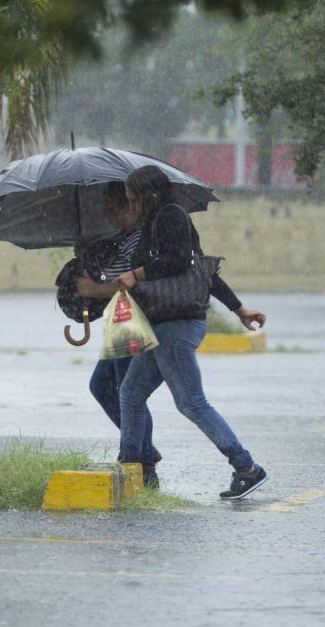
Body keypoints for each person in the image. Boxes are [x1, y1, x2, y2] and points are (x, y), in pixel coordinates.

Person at [76, 181, 266, 491]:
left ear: (149, 195)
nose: (130, 204)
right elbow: (203, 272)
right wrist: (240, 309)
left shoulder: (171, 216)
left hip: (177, 326)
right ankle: (133, 466)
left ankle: (247, 467)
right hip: (161, 325)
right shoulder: (152, 225)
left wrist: (136, 274)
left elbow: (181, 262)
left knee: (191, 402)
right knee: (130, 393)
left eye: (133, 198)